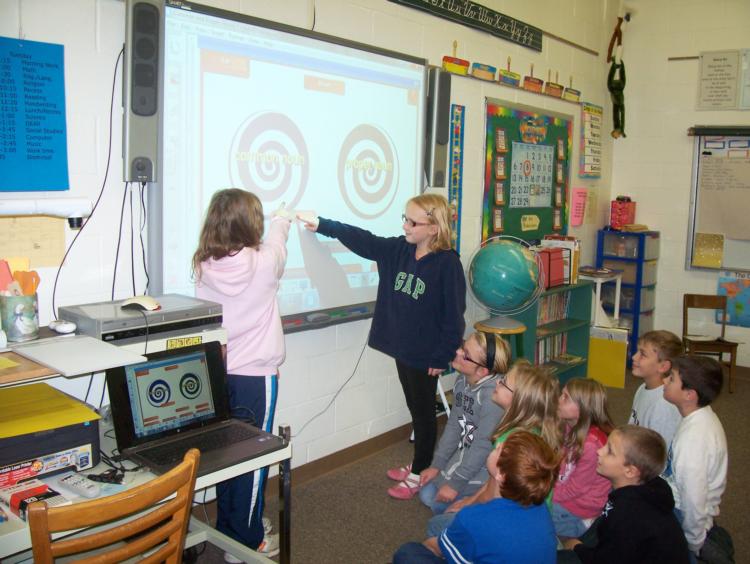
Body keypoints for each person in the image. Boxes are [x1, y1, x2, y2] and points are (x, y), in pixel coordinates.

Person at [299, 194, 466, 500]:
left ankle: (420, 472)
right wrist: (323, 224)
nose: (405, 225)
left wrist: (443, 355)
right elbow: (364, 240)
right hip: (401, 347)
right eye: (404, 218)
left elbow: (454, 317)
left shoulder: (447, 265)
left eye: (412, 222)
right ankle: (420, 463)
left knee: (425, 411)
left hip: (426, 353)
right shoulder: (399, 250)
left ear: (433, 228)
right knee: (415, 407)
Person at [193, 188, 291, 559]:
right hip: (255, 378)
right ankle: (246, 544)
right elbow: (278, 244)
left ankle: (232, 528)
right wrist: (283, 217)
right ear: (251, 223)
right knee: (252, 461)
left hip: (218, 377)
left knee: (227, 457)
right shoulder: (263, 261)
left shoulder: (204, 264)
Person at [426, 360, 559, 536]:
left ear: (519, 400)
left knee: (437, 524)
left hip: (514, 523)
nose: (497, 382)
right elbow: (492, 482)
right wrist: (469, 502)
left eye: (503, 383)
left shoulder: (511, 442)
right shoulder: (526, 431)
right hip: (528, 515)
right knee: (441, 505)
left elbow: (493, 494)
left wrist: (468, 506)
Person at [393, 431, 559, 564]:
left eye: (500, 449)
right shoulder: (541, 507)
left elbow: (435, 547)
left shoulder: (474, 519)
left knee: (408, 552)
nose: (499, 443)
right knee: (437, 524)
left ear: (501, 474)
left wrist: (432, 546)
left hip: (477, 531)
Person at [559, 425, 690, 563]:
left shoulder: (628, 515)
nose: (599, 451)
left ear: (630, 471)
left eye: (609, 451)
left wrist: (577, 547)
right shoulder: (643, 486)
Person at [418, 332, 510, 514]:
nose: (457, 352)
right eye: (462, 346)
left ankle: (484, 498)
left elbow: (483, 447)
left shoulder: (492, 398)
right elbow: (454, 425)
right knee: (427, 493)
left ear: (482, 371)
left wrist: (455, 484)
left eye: (465, 354)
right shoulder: (463, 379)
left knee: (435, 503)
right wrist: (436, 464)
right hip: (467, 451)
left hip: (487, 463)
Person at [662, 355, 728, 559]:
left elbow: (693, 500)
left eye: (671, 379)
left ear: (689, 395)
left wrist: (692, 542)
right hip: (681, 508)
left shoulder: (694, 440)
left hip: (684, 519)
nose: (664, 380)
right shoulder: (698, 416)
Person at [552, 378, 614, 539]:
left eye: (565, 397)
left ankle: (583, 526)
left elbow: (575, 489)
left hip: (581, 506)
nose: (559, 399)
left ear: (582, 408)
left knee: (533, 516)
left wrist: (545, 493)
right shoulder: (568, 426)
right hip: (567, 488)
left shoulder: (591, 446)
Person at [628, 330, 683, 447]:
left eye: (642, 354)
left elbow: (659, 454)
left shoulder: (663, 405)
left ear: (663, 366)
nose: (634, 357)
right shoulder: (642, 388)